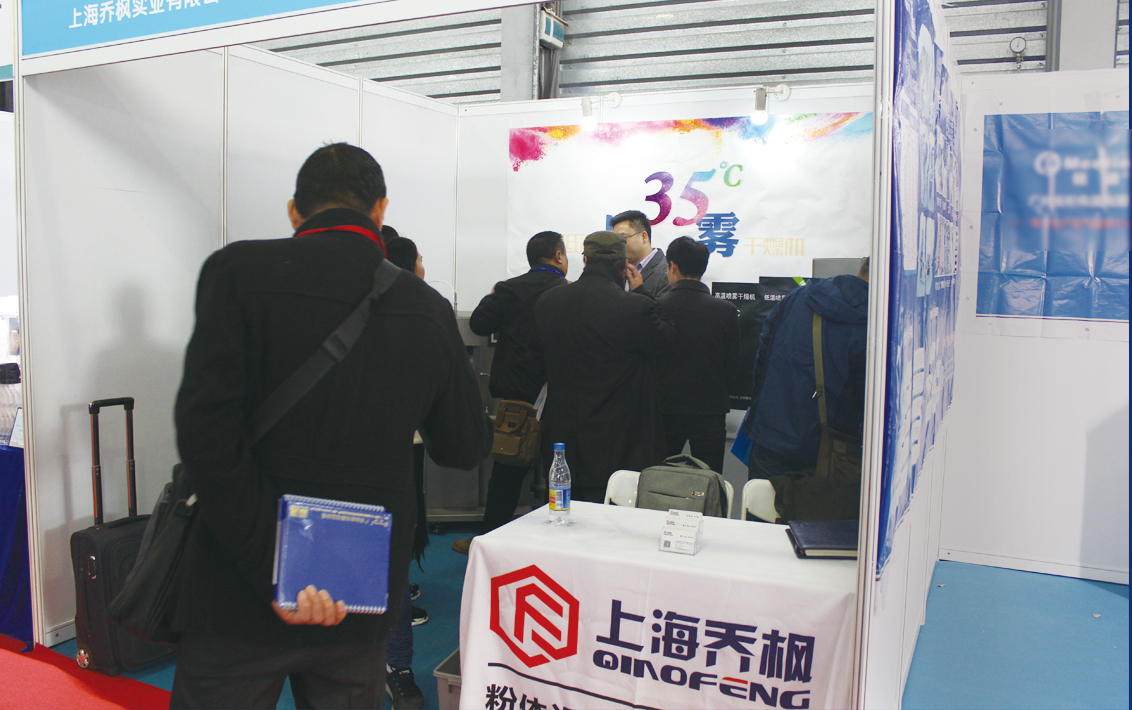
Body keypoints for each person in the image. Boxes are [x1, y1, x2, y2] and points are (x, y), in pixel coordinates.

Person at [171, 143, 491, 709]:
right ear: (381, 210)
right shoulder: (425, 305)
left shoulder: (237, 271)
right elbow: (464, 446)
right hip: (358, 583)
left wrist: (277, 566)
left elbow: (205, 435)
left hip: (240, 580)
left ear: (295, 211)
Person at [532, 230, 676, 502]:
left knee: (563, 511)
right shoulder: (635, 307)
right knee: (610, 517)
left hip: (562, 436)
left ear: (585, 260)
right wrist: (643, 292)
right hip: (617, 441)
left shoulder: (548, 302)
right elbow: (667, 341)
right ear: (624, 267)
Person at [452, 232, 568, 555]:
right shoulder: (569, 292)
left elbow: (478, 323)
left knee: (506, 476)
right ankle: (560, 548)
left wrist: (493, 295)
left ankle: (488, 543)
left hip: (518, 400)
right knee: (561, 474)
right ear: (559, 256)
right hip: (560, 398)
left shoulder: (509, 289)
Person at [743, 258, 870, 482]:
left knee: (763, 501)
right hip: (828, 448)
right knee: (817, 504)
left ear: (862, 267)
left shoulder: (797, 297)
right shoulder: (873, 322)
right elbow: (866, 396)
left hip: (770, 433)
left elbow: (762, 358)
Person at [656, 237, 741, 475]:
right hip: (710, 411)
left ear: (672, 266)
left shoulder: (656, 306)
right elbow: (733, 367)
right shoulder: (725, 311)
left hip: (664, 410)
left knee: (659, 479)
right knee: (709, 479)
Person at [611, 209, 670, 299]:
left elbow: (662, 307)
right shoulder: (618, 271)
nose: (617, 245)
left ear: (644, 236)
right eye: (615, 241)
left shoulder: (667, 271)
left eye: (623, 238)